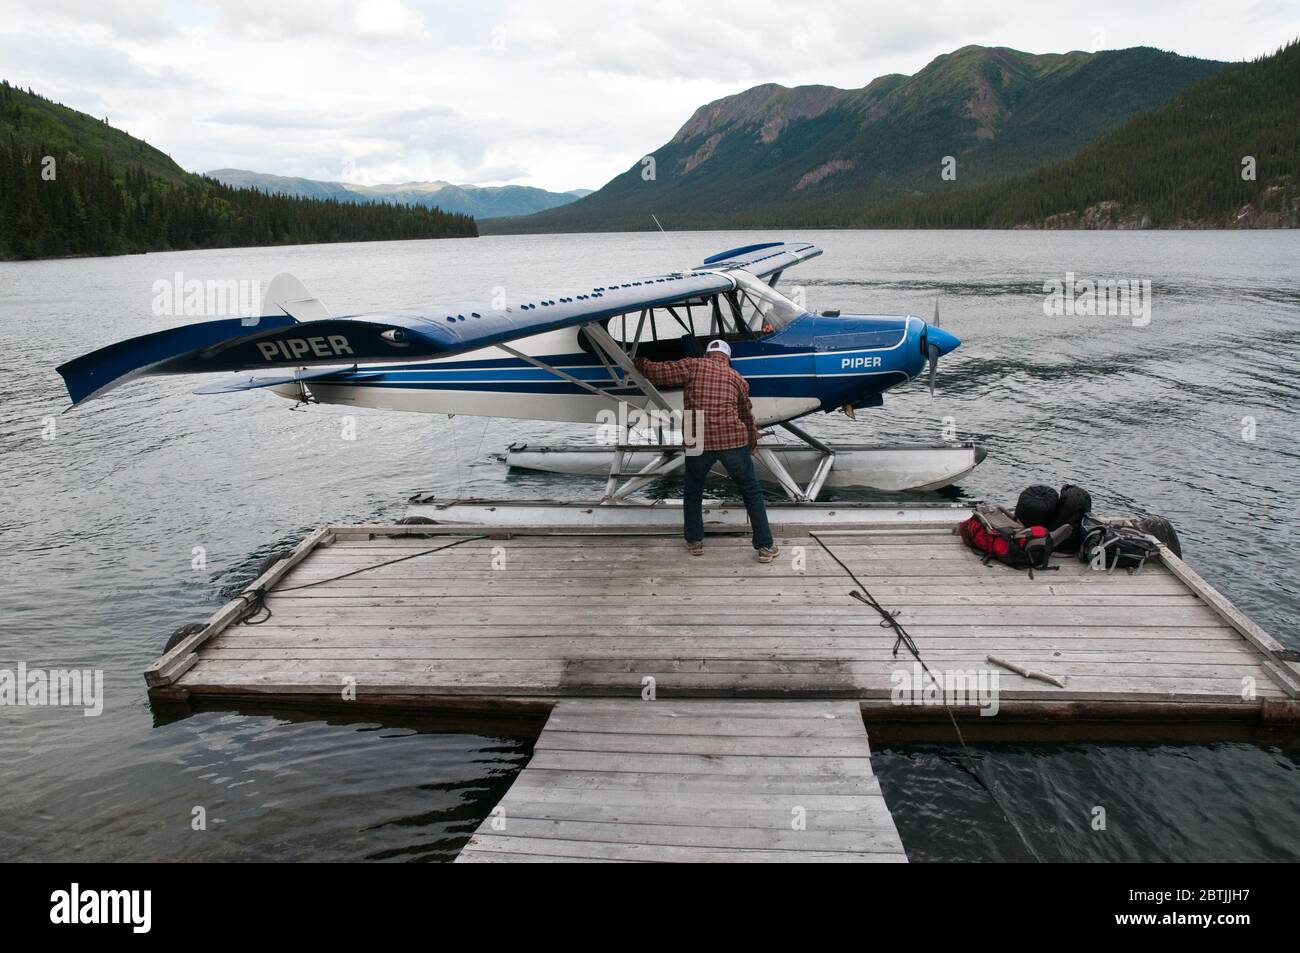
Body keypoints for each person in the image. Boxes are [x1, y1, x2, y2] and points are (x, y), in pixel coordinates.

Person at [633, 339, 779, 563]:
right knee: (751, 492)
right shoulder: (737, 379)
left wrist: (638, 361)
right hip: (732, 440)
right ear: (727, 358)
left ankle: (694, 542)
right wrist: (751, 443)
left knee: (693, 491)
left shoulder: (693, 365)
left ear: (708, 354)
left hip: (698, 441)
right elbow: (746, 416)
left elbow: (658, 372)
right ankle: (765, 547)